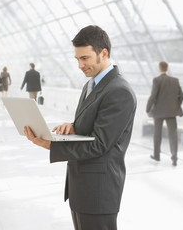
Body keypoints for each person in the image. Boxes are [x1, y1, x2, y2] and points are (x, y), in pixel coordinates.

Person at [24, 25, 137, 230]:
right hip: (83, 187)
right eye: (77, 59)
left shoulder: (119, 91)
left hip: (99, 192)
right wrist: (74, 126)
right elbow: (95, 124)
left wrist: (50, 145)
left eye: (84, 58)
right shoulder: (91, 85)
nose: (79, 65)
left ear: (103, 53)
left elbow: (99, 145)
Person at [146, 61, 183, 166]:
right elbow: (181, 96)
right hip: (172, 112)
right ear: (166, 68)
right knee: (173, 135)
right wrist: (175, 106)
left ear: (159, 68)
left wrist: (148, 108)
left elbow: (153, 96)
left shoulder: (157, 80)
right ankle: (174, 158)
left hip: (158, 112)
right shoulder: (175, 80)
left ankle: (156, 155)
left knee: (157, 134)